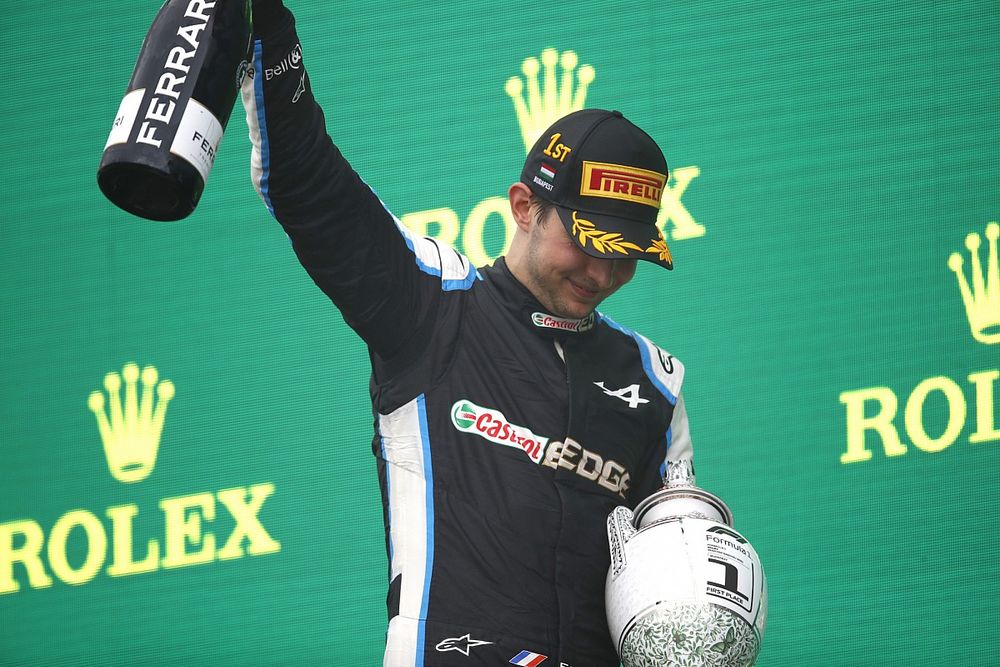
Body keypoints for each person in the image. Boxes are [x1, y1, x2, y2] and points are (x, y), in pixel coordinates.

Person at [243, 3, 693, 665]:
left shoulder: (653, 381)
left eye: (625, 252)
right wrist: (269, 34)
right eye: (589, 242)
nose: (602, 272)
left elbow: (671, 588)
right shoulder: (433, 304)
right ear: (523, 207)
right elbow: (308, 183)